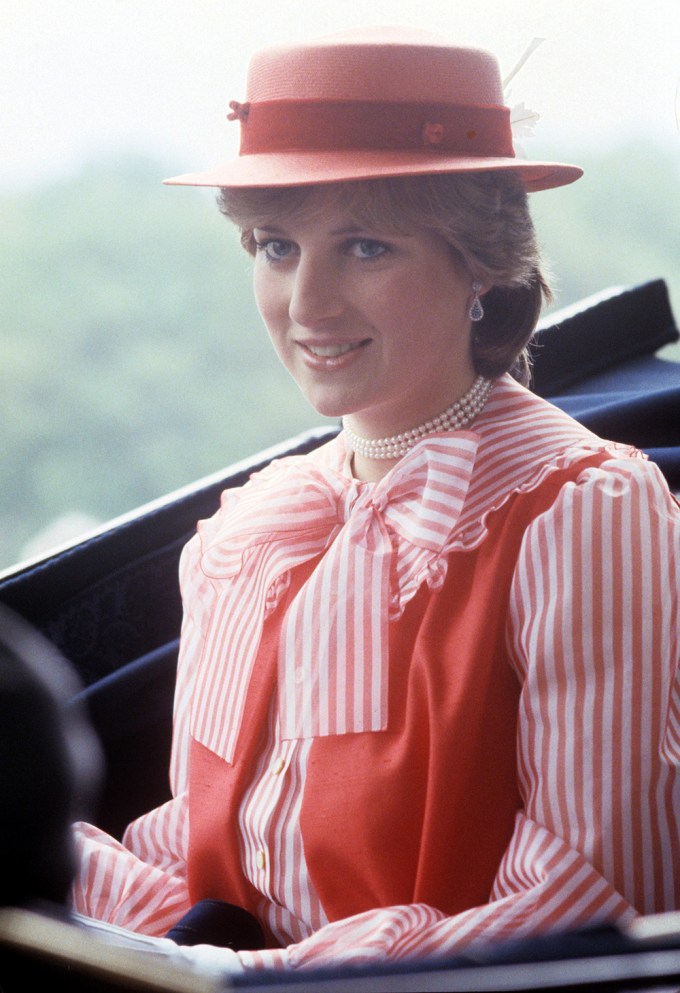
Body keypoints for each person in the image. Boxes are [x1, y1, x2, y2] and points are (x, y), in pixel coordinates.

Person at [70, 26, 680, 976]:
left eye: (365, 247)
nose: (307, 304)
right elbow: (209, 870)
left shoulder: (585, 510)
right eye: (275, 247)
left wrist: (270, 977)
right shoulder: (244, 532)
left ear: (482, 264)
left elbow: (599, 894)